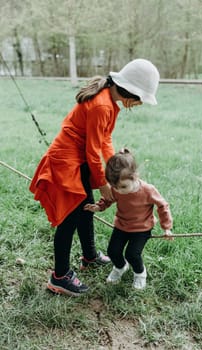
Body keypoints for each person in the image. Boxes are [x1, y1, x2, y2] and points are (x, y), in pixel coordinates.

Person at [29, 58, 160, 297]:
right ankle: (59, 276)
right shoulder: (102, 105)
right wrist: (102, 184)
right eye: (141, 99)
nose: (140, 104)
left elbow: (105, 140)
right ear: (131, 91)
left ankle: (89, 256)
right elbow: (92, 150)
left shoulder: (112, 103)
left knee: (86, 210)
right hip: (66, 163)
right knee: (69, 219)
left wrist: (113, 171)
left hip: (78, 162)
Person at [84, 148, 173, 290]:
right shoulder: (117, 188)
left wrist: (166, 227)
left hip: (142, 228)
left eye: (123, 187)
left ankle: (140, 274)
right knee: (113, 251)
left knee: (132, 254)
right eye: (115, 187)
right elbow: (108, 199)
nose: (119, 191)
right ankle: (120, 267)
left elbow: (162, 206)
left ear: (135, 176)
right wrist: (99, 207)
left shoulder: (148, 190)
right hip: (122, 225)